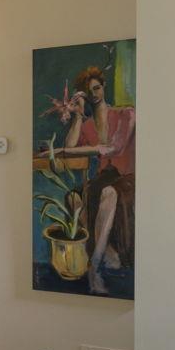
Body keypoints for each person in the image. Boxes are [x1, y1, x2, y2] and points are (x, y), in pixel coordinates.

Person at [56, 64, 135, 294]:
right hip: (104, 179)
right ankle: (106, 252)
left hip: (129, 178)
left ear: (104, 86)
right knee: (74, 198)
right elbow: (70, 147)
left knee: (108, 193)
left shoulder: (126, 114)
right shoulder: (88, 125)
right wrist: (78, 116)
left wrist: (69, 150)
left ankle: (95, 267)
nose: (94, 94)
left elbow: (115, 148)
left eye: (97, 88)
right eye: (88, 92)